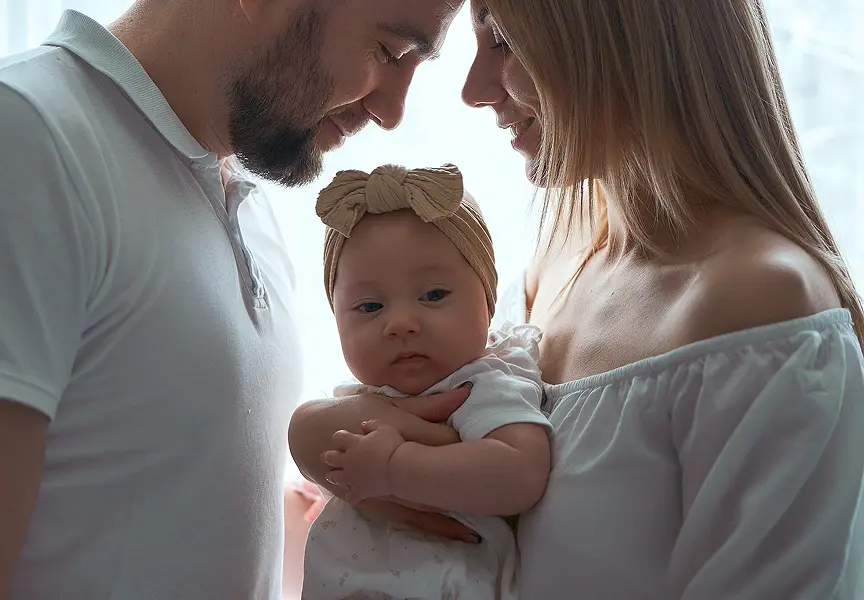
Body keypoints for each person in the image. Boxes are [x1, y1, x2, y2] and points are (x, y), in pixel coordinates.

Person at [289, 0, 864, 597]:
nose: (474, 89)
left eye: (505, 41)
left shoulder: (762, 303)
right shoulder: (556, 264)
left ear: (626, 31)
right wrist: (316, 435)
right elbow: (447, 420)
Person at [0, 1, 468, 599]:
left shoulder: (247, 203)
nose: (392, 110)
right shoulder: (26, 137)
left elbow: (144, 506)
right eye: (390, 52)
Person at [298, 163, 551, 599]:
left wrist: (396, 469)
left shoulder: (480, 382)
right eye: (370, 306)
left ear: (488, 302)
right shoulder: (358, 400)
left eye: (433, 295)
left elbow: (522, 472)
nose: (400, 323)